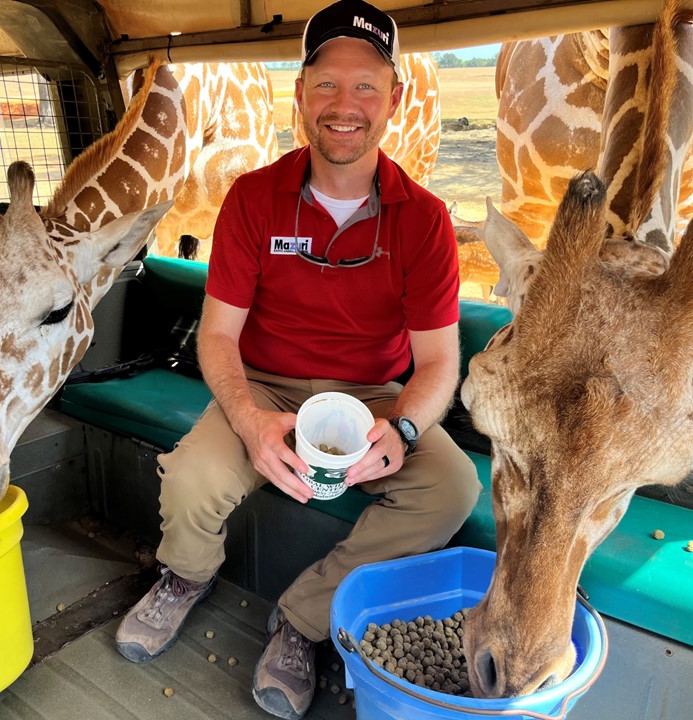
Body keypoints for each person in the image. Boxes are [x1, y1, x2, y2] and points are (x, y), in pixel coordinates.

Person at [113, 1, 481, 717]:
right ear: (301, 93)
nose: (346, 106)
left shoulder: (427, 219)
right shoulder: (253, 199)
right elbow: (218, 336)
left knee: (453, 488)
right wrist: (250, 422)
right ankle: (186, 578)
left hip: (373, 396)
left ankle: (304, 621)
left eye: (367, 86)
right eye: (326, 85)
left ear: (395, 98)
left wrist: (401, 432)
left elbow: (439, 363)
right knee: (191, 476)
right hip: (265, 386)